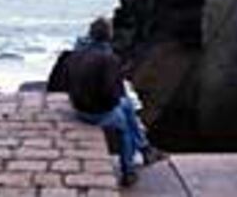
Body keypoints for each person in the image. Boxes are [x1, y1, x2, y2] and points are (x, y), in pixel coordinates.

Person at [54, 17, 161, 186]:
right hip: (95, 113)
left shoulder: (76, 53)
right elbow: (110, 93)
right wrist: (114, 101)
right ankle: (129, 170)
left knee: (126, 105)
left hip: (78, 107)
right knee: (125, 124)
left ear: (91, 34)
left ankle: (145, 148)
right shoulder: (109, 59)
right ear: (109, 36)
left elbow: (64, 82)